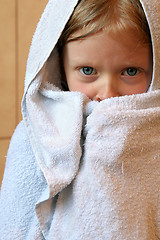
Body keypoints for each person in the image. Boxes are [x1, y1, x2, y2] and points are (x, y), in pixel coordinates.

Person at [0, 0, 160, 239]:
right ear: (59, 65)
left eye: (130, 71)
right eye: (87, 70)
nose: (107, 93)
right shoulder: (40, 135)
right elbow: (16, 226)